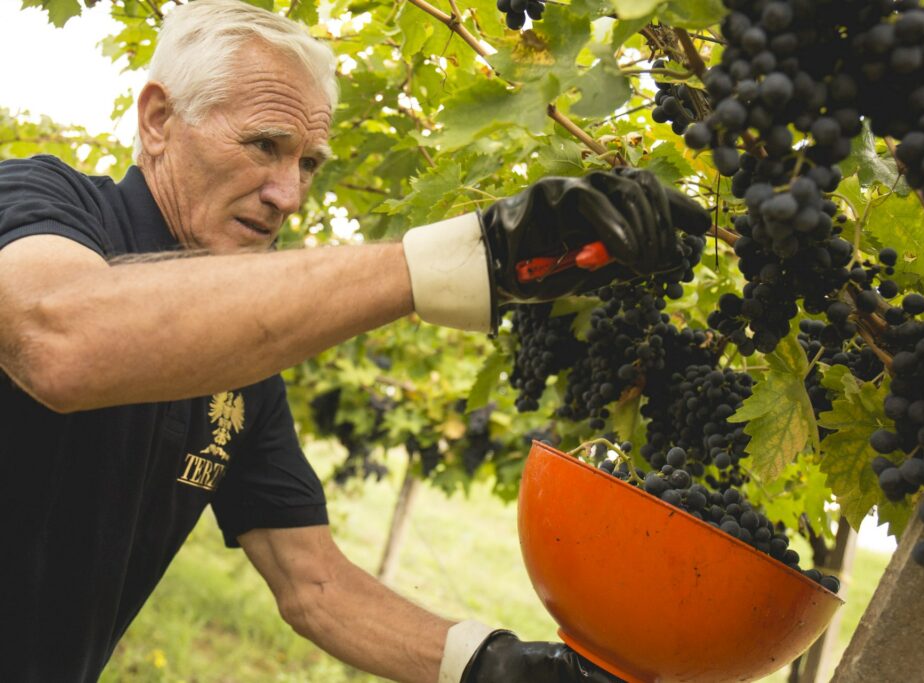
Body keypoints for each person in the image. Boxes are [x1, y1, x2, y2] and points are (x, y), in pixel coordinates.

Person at [0, 1, 710, 681]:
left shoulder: (238, 366)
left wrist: (486, 663)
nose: (290, 194)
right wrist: (471, 257)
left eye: (308, 162)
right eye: (264, 145)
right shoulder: (35, 202)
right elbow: (62, 335)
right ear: (158, 120)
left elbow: (311, 580)